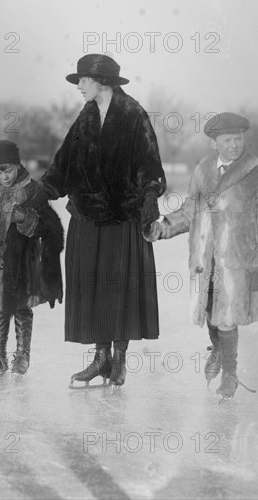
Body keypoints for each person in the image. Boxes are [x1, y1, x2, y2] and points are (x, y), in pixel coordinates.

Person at [41, 54, 166, 389]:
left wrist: (151, 194)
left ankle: (119, 361)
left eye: (83, 80)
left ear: (102, 81)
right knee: (93, 285)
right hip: (87, 217)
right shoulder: (86, 115)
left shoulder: (133, 113)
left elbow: (149, 161)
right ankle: (101, 359)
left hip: (122, 216)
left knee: (119, 286)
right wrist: (44, 191)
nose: (79, 86)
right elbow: (64, 160)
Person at [145, 112, 258, 400]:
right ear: (213, 142)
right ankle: (218, 349)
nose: (234, 145)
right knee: (209, 311)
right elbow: (190, 211)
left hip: (238, 260)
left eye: (238, 139)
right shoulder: (203, 170)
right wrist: (163, 227)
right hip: (205, 258)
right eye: (228, 140)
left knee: (228, 317)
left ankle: (230, 375)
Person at [0, 140, 64, 379]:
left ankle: (22, 355)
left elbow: (48, 227)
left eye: (8, 169)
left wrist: (28, 220)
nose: (4, 176)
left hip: (24, 262)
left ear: (17, 165)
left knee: (21, 307)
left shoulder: (33, 190)